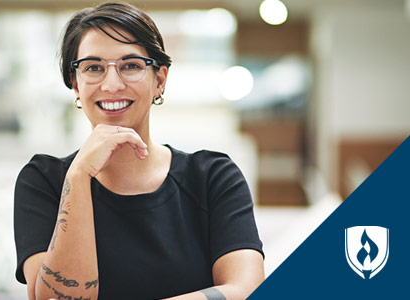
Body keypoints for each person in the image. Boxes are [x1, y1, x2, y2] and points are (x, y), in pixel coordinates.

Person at [14, 2, 264, 299]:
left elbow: (247, 290)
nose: (111, 84)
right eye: (93, 68)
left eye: (130, 65)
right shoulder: (43, 181)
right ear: (76, 85)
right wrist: (79, 176)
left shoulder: (213, 177)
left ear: (159, 79)